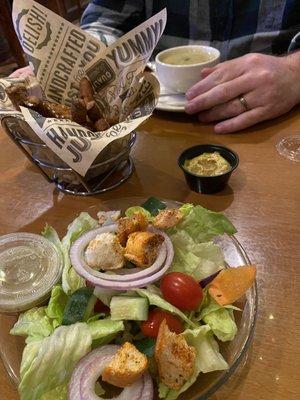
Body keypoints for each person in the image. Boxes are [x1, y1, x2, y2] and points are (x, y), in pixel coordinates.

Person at [80, 0, 300, 133]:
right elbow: (103, 21)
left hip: (275, 122)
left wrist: (293, 70)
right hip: (149, 124)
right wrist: (93, 61)